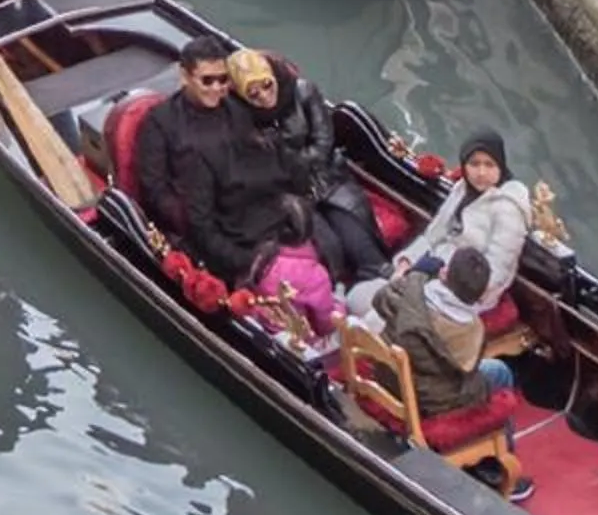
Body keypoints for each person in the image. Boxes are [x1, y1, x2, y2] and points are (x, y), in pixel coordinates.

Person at [133, 37, 308, 285]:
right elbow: (154, 189)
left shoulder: (235, 110)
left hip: (249, 214)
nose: (217, 88)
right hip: (204, 224)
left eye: (223, 79)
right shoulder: (160, 123)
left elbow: (254, 161)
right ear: (185, 76)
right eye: (207, 80)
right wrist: (195, 221)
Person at [373, 247, 534, 493]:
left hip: (387, 374)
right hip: (428, 398)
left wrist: (416, 274)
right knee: (500, 373)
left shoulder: (410, 289)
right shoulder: (470, 328)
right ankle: (495, 466)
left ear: (445, 273)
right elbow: (466, 370)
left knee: (491, 371)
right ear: (478, 297)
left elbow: (379, 299)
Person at [225, 47, 389, 285]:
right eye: (252, 93)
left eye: (266, 85)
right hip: (290, 198)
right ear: (242, 95)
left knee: (362, 246)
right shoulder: (240, 121)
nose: (263, 96)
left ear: (274, 77)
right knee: (331, 250)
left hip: (328, 179)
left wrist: (292, 162)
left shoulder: (303, 91)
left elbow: (323, 143)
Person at [395, 129, 535, 312]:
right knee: (389, 290)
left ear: (500, 166)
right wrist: (406, 262)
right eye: (474, 164)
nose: (481, 172)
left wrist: (449, 281)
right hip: (438, 264)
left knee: (403, 307)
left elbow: (497, 273)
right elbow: (434, 235)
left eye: (489, 165)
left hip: (471, 291)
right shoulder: (462, 188)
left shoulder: (509, 209)